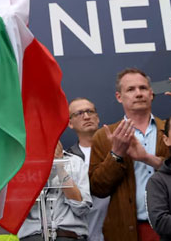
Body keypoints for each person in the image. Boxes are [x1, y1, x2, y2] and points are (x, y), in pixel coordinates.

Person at [89, 68, 171, 241]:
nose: (138, 93)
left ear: (151, 94)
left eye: (143, 88)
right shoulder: (104, 136)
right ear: (119, 97)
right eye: (131, 89)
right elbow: (98, 188)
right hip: (126, 230)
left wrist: (147, 159)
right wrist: (116, 154)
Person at [18, 141, 92, 240]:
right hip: (33, 235)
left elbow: (81, 209)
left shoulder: (76, 162)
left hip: (68, 235)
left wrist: (59, 166)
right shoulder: (21, 163)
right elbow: (18, 209)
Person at [66, 98, 110, 241]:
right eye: (79, 113)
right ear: (70, 123)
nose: (86, 116)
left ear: (97, 117)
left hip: (119, 229)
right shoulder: (68, 160)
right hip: (85, 231)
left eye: (90, 111)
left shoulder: (115, 148)